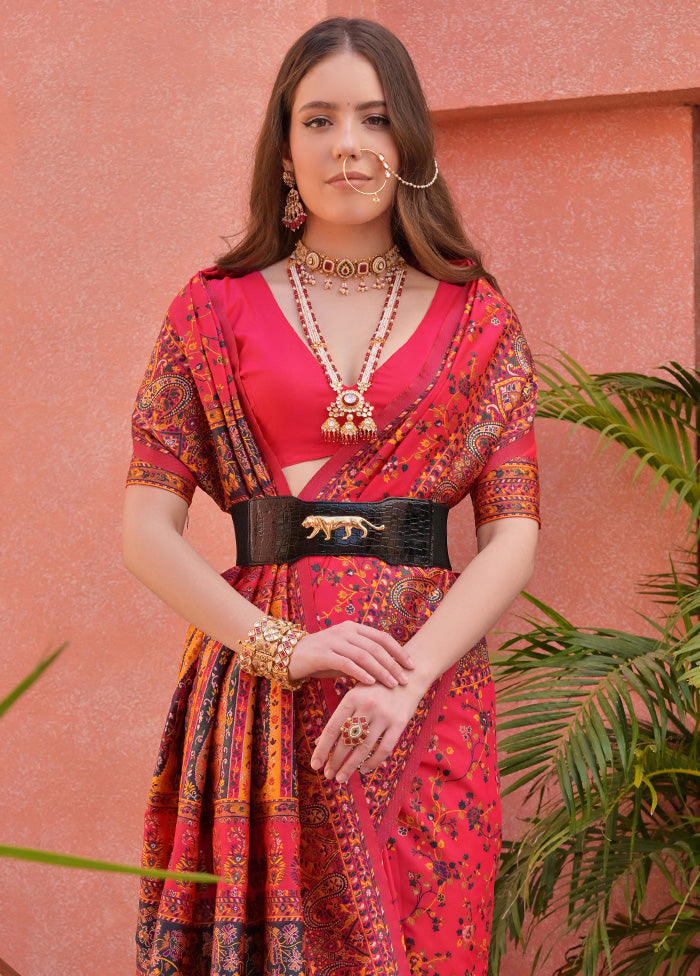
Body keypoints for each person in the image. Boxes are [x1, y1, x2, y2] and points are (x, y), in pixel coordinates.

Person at [123, 16, 540, 976]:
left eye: (374, 119)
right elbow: (146, 529)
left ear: (410, 147)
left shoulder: (478, 315)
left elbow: (513, 533)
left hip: (427, 700)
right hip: (260, 688)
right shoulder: (209, 311)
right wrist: (288, 649)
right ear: (284, 148)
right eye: (319, 121)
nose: (348, 145)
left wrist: (409, 679)